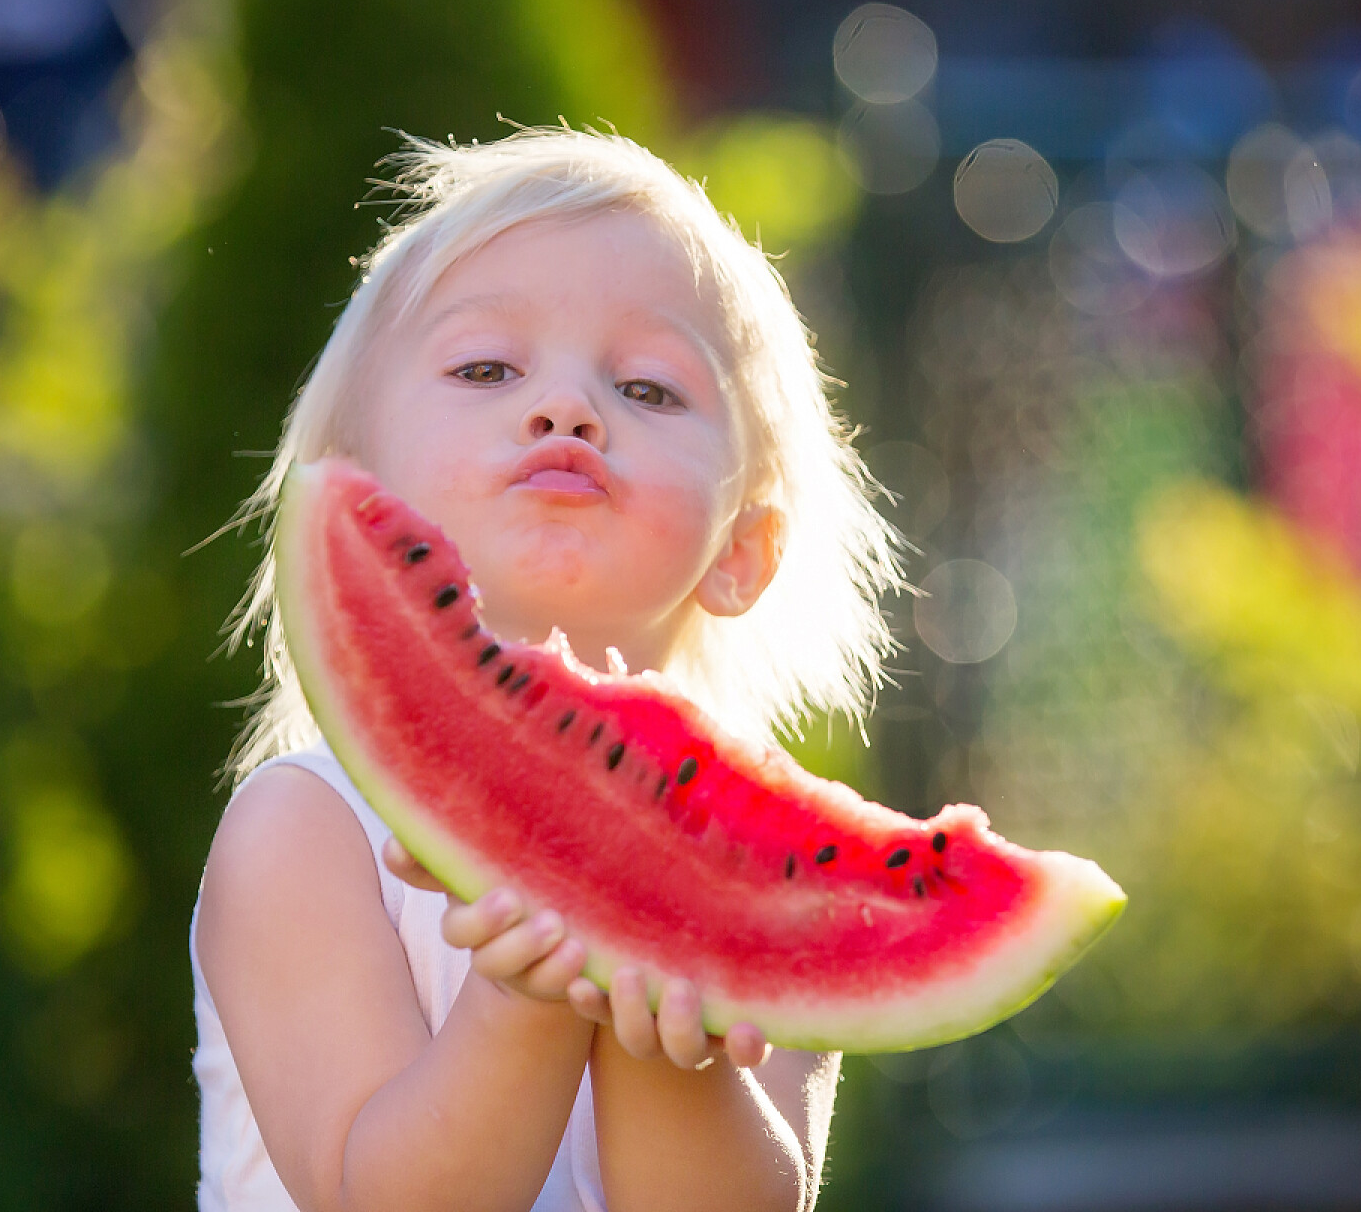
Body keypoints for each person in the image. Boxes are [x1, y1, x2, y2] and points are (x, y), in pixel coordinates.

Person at [191, 127, 905, 1212]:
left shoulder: (767, 866)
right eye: (486, 368)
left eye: (649, 388)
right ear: (357, 500)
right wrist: (525, 992)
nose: (567, 408)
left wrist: (663, 1013)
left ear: (742, 549)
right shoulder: (304, 830)